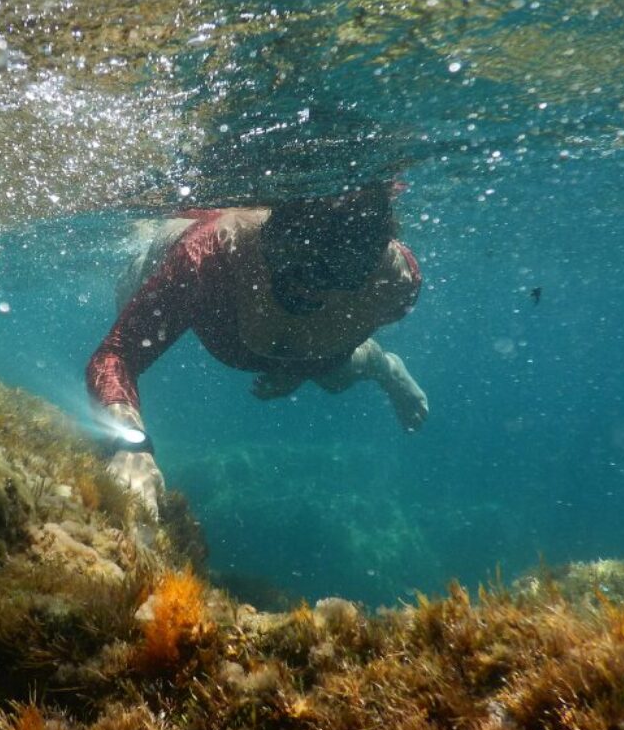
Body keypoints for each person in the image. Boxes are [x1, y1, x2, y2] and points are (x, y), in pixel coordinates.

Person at [85, 179, 429, 521]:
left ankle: (386, 367)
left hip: (311, 351)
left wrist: (298, 367)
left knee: (335, 377)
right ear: (271, 231)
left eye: (339, 268)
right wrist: (130, 446)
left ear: (370, 262)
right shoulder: (207, 256)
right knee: (128, 299)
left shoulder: (397, 280)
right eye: (293, 253)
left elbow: (357, 323)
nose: (306, 284)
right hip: (225, 318)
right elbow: (117, 354)